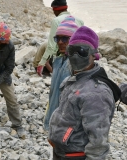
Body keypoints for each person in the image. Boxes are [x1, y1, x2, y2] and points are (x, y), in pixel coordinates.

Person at [48, 26, 121, 160]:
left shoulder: (96, 93)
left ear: (94, 55)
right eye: (72, 50)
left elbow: (98, 144)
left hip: (75, 156)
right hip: (61, 152)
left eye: (82, 51)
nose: (76, 56)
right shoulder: (73, 80)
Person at [43, 16, 79, 130]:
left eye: (64, 39)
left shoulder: (76, 64)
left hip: (67, 121)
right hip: (54, 115)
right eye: (57, 38)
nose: (60, 42)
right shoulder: (58, 60)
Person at [36, 0, 84, 76]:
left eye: (53, 10)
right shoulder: (80, 21)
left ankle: (41, 69)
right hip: (77, 54)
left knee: (43, 46)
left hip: (63, 55)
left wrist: (42, 62)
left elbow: (51, 46)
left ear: (56, 9)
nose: (53, 13)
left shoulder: (56, 21)